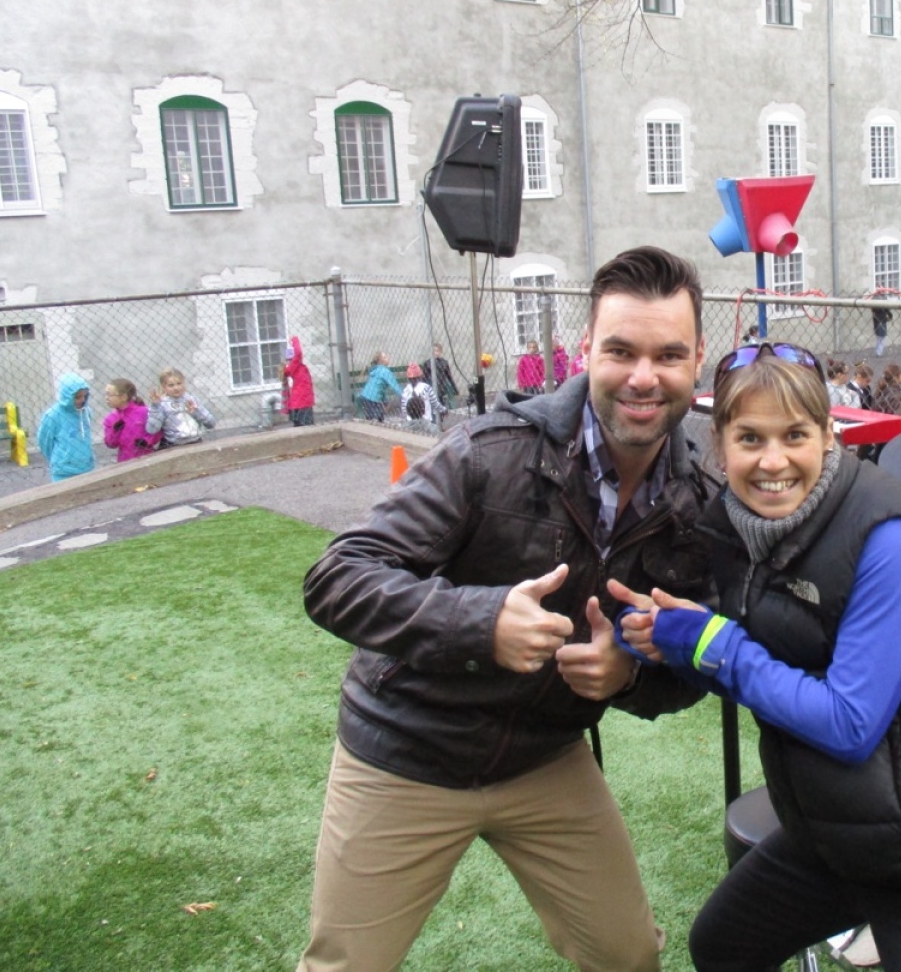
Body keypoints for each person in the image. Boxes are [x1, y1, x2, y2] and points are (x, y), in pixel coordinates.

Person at [296, 247, 719, 972]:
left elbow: (696, 664)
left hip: (544, 755)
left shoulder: (699, 502)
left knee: (628, 956)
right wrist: (481, 621)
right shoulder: (490, 453)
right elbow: (338, 576)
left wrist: (628, 676)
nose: (644, 377)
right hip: (408, 747)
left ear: (698, 359)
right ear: (586, 349)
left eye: (669, 355)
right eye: (621, 351)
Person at [617, 346, 901, 972]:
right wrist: (655, 638)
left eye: (795, 435)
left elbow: (848, 723)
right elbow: (759, 652)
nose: (772, 461)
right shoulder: (735, 527)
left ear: (829, 435)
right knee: (721, 948)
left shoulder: (895, 537)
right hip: (834, 838)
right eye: (749, 438)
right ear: (719, 445)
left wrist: (710, 646)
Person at [37, 372, 95, 481]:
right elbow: (44, 441)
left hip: (86, 467)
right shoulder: (53, 415)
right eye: (77, 397)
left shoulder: (86, 412)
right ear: (67, 396)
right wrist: (59, 458)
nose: (82, 400)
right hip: (63, 471)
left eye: (85, 396)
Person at [147, 367, 217, 447]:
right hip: (173, 445)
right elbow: (152, 429)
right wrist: (155, 406)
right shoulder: (162, 404)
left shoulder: (192, 400)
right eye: (171, 385)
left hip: (196, 442)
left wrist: (196, 412)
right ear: (163, 387)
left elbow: (211, 424)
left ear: (184, 383)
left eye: (179, 383)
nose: (176, 388)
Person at [102, 378, 158, 462]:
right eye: (106, 394)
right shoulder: (111, 419)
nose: (106, 398)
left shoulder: (143, 412)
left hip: (147, 458)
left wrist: (147, 441)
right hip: (125, 460)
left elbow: (156, 430)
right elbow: (111, 444)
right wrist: (115, 430)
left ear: (123, 397)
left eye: (109, 394)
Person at [399, 362, 444, 431]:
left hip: (410, 422)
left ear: (408, 378)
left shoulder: (405, 391)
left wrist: (404, 420)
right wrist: (443, 410)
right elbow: (435, 403)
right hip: (426, 422)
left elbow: (403, 409)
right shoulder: (426, 388)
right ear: (420, 377)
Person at [282, 336, 316, 427]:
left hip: (298, 403)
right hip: (303, 403)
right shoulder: (294, 365)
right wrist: (295, 340)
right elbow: (298, 353)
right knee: (307, 426)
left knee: (299, 426)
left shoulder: (291, 368)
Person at [357, 352, 400, 423]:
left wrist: (385, 401)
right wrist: (405, 395)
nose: (387, 358)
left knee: (371, 420)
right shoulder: (385, 371)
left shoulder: (376, 370)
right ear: (380, 361)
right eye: (385, 357)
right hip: (373, 399)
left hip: (364, 396)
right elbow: (395, 386)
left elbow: (378, 387)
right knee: (378, 421)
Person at [425, 343, 459, 411]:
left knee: (448, 387)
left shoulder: (444, 362)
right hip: (432, 385)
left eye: (437, 351)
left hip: (442, 385)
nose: (435, 353)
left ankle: (448, 406)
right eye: (434, 351)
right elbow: (425, 377)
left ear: (441, 352)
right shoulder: (428, 363)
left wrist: (455, 388)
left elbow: (449, 376)